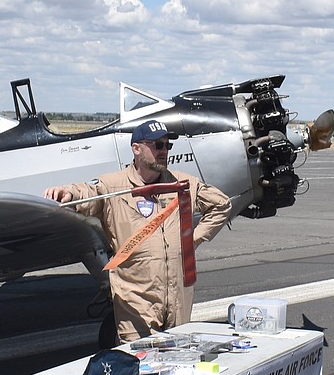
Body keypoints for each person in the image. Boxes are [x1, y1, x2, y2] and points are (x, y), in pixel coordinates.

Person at [44, 120, 231, 343]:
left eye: (166, 145)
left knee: (179, 362)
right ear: (136, 148)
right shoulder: (114, 186)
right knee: (140, 366)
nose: (164, 151)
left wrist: (192, 240)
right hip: (136, 300)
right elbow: (87, 192)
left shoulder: (180, 183)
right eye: (157, 145)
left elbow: (221, 204)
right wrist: (67, 193)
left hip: (178, 298)